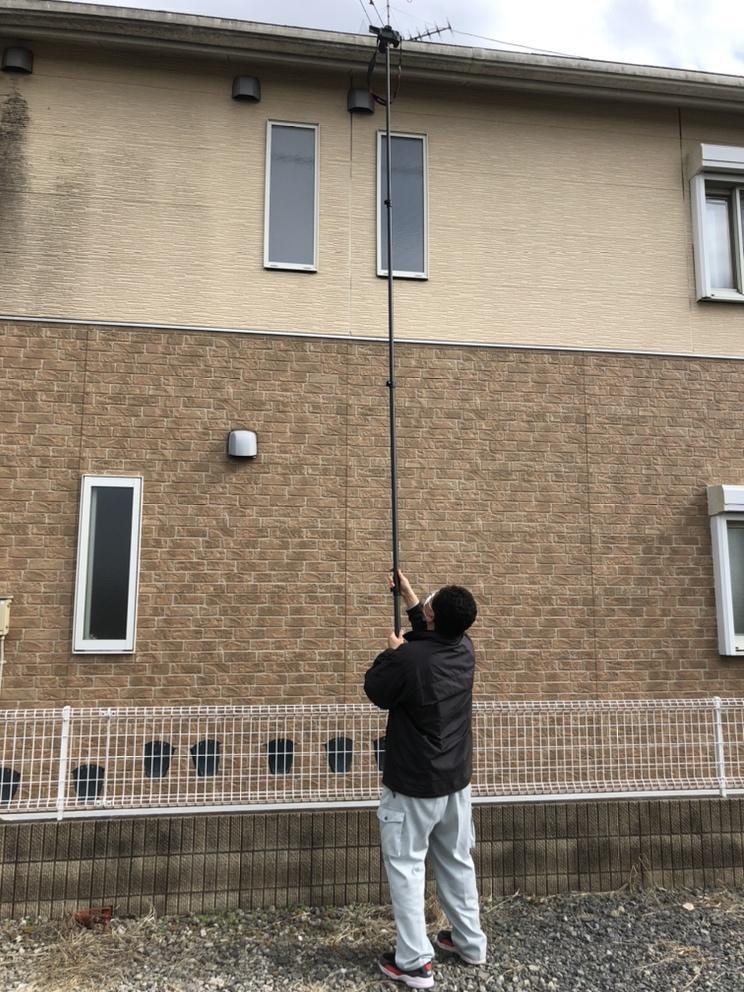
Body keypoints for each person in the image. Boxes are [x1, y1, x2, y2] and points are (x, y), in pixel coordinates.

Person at [364, 571, 487, 989]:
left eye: (428, 605)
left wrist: (390, 655)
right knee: (456, 861)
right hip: (455, 782)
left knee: (406, 866)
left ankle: (415, 963)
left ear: (434, 618)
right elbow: (429, 639)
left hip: (414, 784)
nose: (425, 607)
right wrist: (411, 597)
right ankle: (470, 943)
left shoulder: (410, 660)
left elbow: (376, 690)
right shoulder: (463, 648)